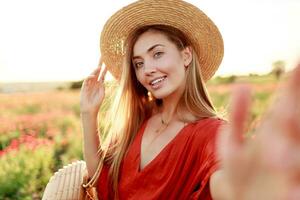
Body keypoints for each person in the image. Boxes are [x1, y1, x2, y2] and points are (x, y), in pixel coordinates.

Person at [80, 0, 300, 199]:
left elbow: (227, 185)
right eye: (139, 63)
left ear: (186, 55)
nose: (147, 69)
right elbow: (103, 182)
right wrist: (88, 113)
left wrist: (251, 191)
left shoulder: (212, 133)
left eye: (157, 54)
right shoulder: (139, 121)